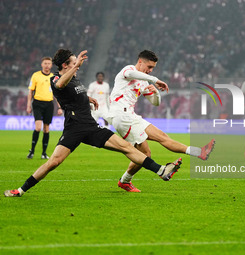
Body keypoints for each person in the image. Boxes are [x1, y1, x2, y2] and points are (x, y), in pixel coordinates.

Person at [4, 49, 181, 197]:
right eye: (73, 62)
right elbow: (60, 86)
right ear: (66, 65)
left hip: (91, 126)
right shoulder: (55, 78)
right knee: (54, 162)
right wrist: (75, 67)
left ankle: (162, 171)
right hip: (74, 128)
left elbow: (73, 92)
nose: (77, 65)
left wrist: (88, 98)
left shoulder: (73, 78)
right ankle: (20, 190)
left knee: (127, 147)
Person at [106, 50, 215, 192]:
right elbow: (131, 75)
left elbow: (155, 102)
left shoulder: (144, 80)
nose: (150, 71)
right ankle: (126, 181)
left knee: (162, 137)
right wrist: (155, 79)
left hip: (131, 116)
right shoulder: (129, 70)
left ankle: (199, 152)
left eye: (153, 68)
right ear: (140, 62)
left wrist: (156, 92)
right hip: (121, 116)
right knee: (145, 155)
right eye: (149, 67)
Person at [26, 57, 63, 159]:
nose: (47, 65)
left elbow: (57, 94)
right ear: (42, 64)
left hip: (48, 104)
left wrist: (60, 107)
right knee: (38, 127)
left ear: (51, 65)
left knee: (46, 129)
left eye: (49, 63)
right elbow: (30, 91)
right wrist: (28, 105)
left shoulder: (53, 77)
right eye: (45, 63)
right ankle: (32, 151)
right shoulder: (36, 75)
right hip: (37, 103)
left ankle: (44, 153)